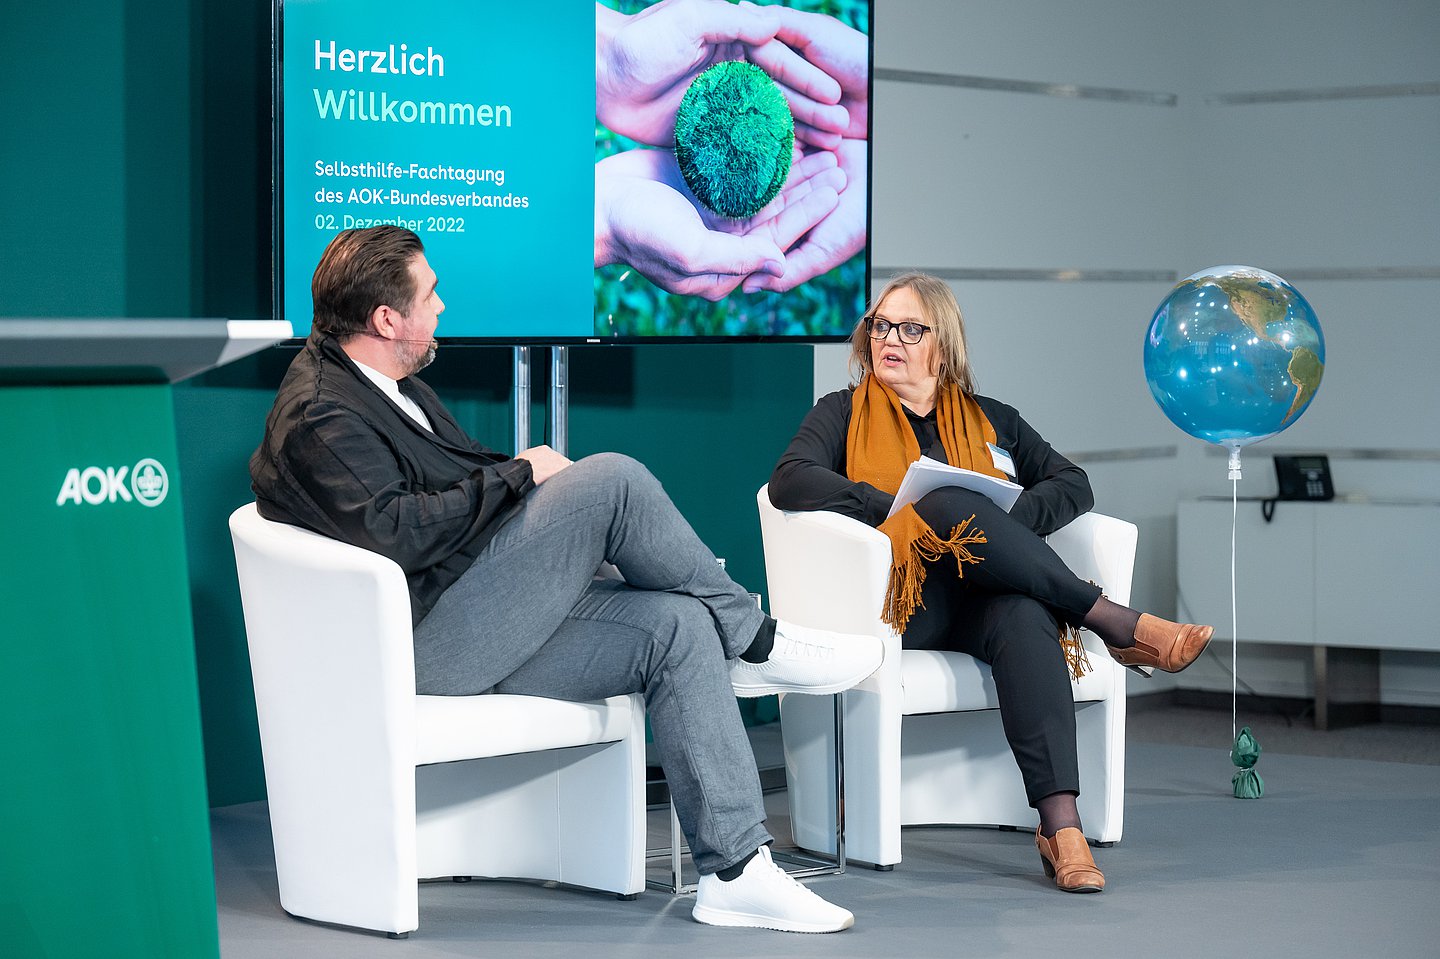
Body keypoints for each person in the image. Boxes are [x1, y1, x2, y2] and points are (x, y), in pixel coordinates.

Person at [250, 225, 883, 932]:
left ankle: (736, 872)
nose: (443, 307)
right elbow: (396, 532)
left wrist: (540, 506)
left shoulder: (392, 386)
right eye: (430, 296)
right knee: (610, 478)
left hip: (474, 618)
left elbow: (456, 483)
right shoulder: (321, 411)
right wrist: (523, 475)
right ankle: (759, 638)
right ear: (386, 319)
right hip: (426, 643)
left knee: (675, 624)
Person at [768, 271, 1215, 894]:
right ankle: (1114, 622)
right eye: (880, 324)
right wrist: (893, 507)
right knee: (943, 499)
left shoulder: (991, 419)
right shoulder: (840, 412)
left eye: (909, 328)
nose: (888, 338)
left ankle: (1062, 829)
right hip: (900, 603)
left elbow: (1071, 484)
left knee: (1024, 614)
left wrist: (1008, 524)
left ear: (942, 344)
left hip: (980, 599)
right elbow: (791, 479)